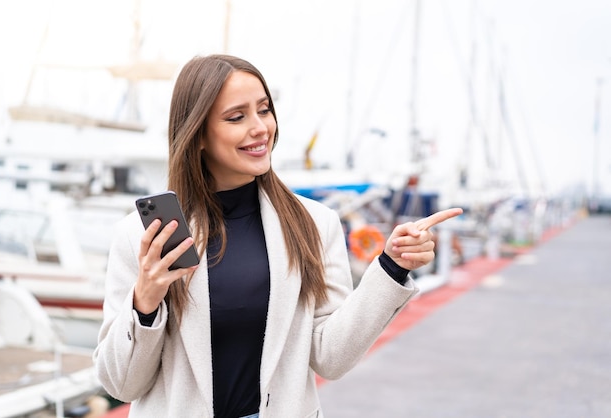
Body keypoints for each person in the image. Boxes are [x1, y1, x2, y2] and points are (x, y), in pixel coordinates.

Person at [93, 54, 462, 418]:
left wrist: (392, 267)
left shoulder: (314, 224)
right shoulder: (144, 236)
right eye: (237, 117)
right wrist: (146, 301)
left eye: (264, 110)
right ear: (198, 133)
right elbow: (121, 385)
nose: (260, 128)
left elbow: (330, 357)